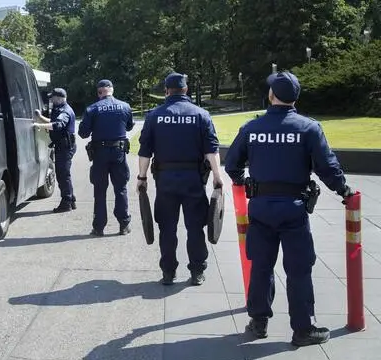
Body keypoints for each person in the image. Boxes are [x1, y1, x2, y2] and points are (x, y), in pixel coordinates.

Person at [224, 71, 355, 347]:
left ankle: (258, 322)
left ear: (271, 96)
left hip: (260, 207)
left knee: (261, 266)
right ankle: (303, 329)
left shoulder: (252, 128)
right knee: (298, 269)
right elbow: (327, 167)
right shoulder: (308, 128)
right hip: (294, 208)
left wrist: (241, 181)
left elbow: (232, 164)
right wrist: (344, 191)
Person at [136, 72, 223, 287]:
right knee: (195, 227)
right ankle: (197, 271)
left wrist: (142, 177)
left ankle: (168, 272)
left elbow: (145, 151)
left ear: (166, 91)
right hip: (193, 180)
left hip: (165, 180)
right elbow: (212, 149)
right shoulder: (201, 114)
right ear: (186, 90)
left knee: (167, 228)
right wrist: (218, 178)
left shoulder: (154, 116)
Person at [78, 79, 135, 236]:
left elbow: (83, 133)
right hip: (119, 152)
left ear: (99, 92)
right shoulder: (125, 106)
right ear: (112, 90)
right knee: (121, 188)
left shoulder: (92, 109)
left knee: (100, 190)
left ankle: (99, 227)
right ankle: (124, 224)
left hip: (100, 153)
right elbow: (129, 125)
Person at [34, 88, 77, 213]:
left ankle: (66, 203)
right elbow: (53, 121)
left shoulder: (65, 111)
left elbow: (58, 125)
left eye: (52, 97)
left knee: (63, 176)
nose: (51, 100)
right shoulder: (61, 109)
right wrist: (41, 117)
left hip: (65, 147)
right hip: (63, 146)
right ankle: (71, 200)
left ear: (58, 98)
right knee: (64, 175)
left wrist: (39, 126)